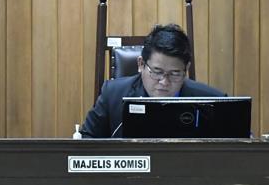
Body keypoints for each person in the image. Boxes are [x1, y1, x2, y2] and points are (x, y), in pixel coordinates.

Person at [80, 23, 225, 138]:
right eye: (157, 72)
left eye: (174, 73)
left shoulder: (214, 102)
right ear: (141, 64)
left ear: (186, 69)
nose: (164, 82)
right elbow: (87, 141)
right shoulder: (112, 95)